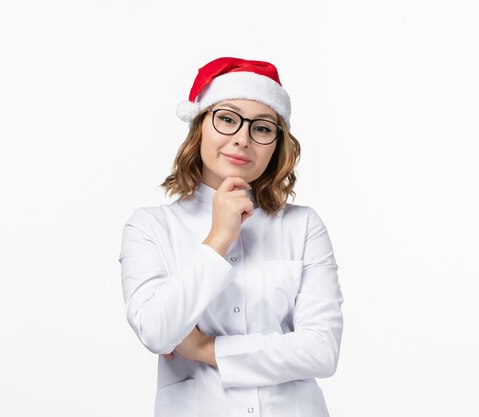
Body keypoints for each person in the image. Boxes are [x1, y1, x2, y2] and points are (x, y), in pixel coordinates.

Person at [119, 57, 344, 417]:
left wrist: (207, 349)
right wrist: (218, 238)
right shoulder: (149, 227)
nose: (242, 138)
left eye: (262, 128)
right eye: (227, 119)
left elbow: (321, 350)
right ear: (200, 126)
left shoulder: (303, 226)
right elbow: (157, 332)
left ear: (276, 144)